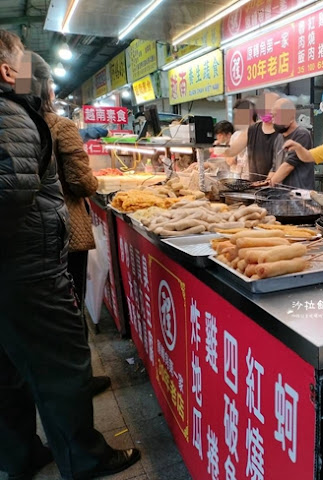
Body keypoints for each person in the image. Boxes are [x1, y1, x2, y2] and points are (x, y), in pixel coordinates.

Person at [0, 32, 140, 480]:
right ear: (9, 72)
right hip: (29, 271)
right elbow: (10, 193)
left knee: (9, 373)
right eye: (25, 67)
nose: (37, 82)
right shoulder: (13, 112)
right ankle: (84, 459)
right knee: (60, 369)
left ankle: (20, 455)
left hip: (15, 271)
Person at [31, 52, 112, 397]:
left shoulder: (14, 121)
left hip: (30, 237)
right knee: (70, 304)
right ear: (45, 88)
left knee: (45, 315)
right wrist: (93, 182)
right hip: (64, 229)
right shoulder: (59, 125)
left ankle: (54, 381)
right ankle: (77, 382)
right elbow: (82, 183)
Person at [224, 92, 282, 178]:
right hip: (254, 184)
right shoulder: (251, 130)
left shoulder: (284, 132)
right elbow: (231, 152)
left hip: (278, 186)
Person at [269, 97, 315, 189]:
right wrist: (263, 184)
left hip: (299, 197)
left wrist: (270, 183)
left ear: (291, 117)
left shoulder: (302, 134)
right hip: (282, 195)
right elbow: (274, 168)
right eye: (272, 116)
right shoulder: (278, 138)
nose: (273, 121)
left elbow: (288, 166)